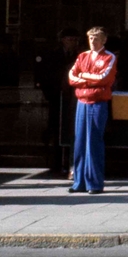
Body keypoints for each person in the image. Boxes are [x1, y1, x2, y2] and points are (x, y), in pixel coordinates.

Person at [67, 27, 117, 195]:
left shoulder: (109, 57)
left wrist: (84, 77)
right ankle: (79, 182)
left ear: (103, 40)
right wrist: (89, 80)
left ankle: (94, 183)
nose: (93, 42)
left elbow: (104, 78)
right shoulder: (82, 56)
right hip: (82, 102)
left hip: (98, 103)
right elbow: (71, 77)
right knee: (80, 141)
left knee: (94, 141)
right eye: (90, 39)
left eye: (96, 39)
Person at [37, 28, 81, 174]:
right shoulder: (52, 56)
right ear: (62, 40)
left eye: (75, 40)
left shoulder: (80, 56)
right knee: (56, 129)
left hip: (74, 98)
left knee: (72, 128)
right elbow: (45, 76)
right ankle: (56, 162)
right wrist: (50, 94)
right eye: (69, 39)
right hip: (56, 98)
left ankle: (70, 161)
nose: (72, 43)